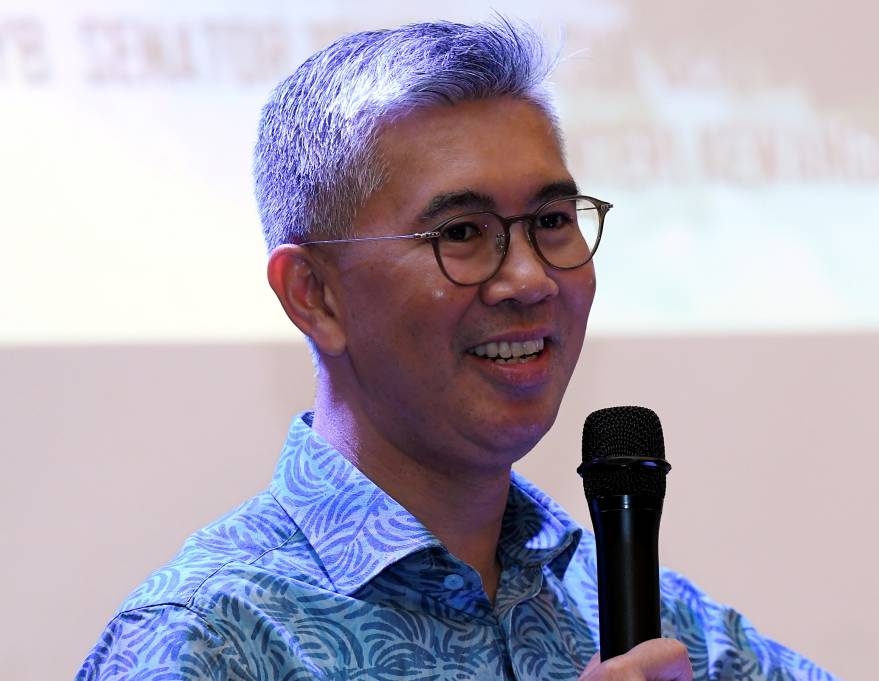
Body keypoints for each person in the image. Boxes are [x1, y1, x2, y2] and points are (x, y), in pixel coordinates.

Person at [77, 19, 837, 681]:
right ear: (314, 293)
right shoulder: (207, 639)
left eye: (552, 220)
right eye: (463, 233)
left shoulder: (635, 612)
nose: (531, 279)